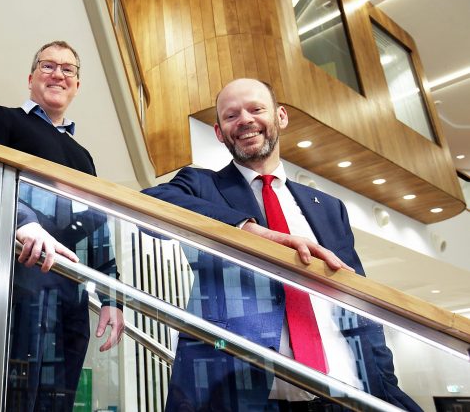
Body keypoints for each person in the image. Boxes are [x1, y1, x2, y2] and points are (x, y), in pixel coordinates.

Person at [142, 78, 422, 411]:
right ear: (219, 133)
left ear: (281, 117)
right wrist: (250, 231)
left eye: (256, 109)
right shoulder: (200, 185)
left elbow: (358, 303)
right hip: (247, 396)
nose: (244, 119)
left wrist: (387, 390)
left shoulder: (330, 207)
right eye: (231, 116)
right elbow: (150, 205)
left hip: (345, 396)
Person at [0, 41, 125, 412]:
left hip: (69, 295)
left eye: (68, 69)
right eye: (48, 66)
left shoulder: (83, 155)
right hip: (13, 281)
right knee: (11, 397)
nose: (58, 73)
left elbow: (97, 227)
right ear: (31, 78)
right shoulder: (2, 119)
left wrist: (112, 295)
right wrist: (22, 223)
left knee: (57, 401)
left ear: (76, 85)